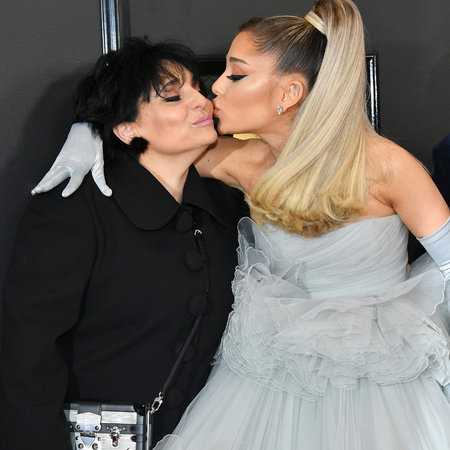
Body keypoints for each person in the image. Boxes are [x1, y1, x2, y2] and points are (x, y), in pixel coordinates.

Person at [29, 0, 450, 448]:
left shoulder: (388, 166)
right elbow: (155, 138)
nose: (215, 89)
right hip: (270, 375)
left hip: (381, 378)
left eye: (236, 74)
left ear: (288, 94)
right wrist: (91, 128)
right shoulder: (237, 161)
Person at [0, 38, 246, 450]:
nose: (200, 102)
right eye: (173, 96)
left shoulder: (224, 206)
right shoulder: (74, 210)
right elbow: (27, 354)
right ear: (127, 128)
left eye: (197, 89)